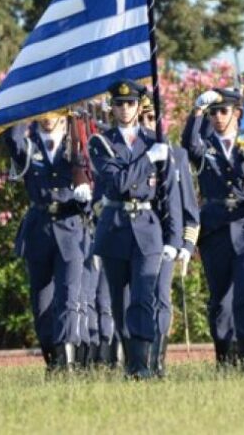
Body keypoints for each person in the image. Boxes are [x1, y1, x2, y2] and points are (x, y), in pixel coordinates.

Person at [88, 80, 177, 379]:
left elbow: (168, 195)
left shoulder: (157, 142)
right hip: (114, 227)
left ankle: (143, 364)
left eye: (130, 103)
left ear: (140, 107)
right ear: (111, 107)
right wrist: (147, 159)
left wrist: (175, 237)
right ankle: (131, 361)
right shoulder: (100, 142)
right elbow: (116, 183)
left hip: (147, 229)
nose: (124, 108)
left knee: (144, 295)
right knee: (120, 301)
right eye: (119, 103)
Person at [181, 88, 244, 369]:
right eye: (213, 113)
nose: (218, 117)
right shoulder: (206, 147)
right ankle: (225, 358)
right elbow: (188, 144)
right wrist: (196, 112)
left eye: (223, 111)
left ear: (236, 113)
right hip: (216, 228)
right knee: (221, 301)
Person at [5, 112, 93, 372]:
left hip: (71, 228)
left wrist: (86, 193)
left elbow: (97, 175)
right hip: (39, 230)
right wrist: (27, 107)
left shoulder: (78, 145)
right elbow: (12, 139)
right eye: (42, 111)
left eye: (52, 109)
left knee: (68, 298)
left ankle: (67, 363)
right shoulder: (29, 145)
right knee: (41, 304)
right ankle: (53, 360)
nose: (47, 116)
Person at [140, 92, 197, 376]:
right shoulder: (137, 155)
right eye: (145, 119)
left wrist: (186, 244)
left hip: (166, 240)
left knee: (161, 297)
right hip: (137, 237)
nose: (150, 125)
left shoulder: (178, 154)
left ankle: (157, 360)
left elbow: (189, 206)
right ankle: (137, 359)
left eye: (154, 119)